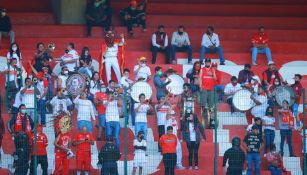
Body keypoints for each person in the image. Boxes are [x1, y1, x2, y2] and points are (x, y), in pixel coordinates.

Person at [199, 59, 216, 127]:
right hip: (204, 88)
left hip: (211, 88)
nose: (208, 63)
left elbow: (215, 78)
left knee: (211, 104)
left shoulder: (212, 70)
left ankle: (212, 120)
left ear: (210, 63)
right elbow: (200, 78)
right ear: (205, 63)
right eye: (206, 62)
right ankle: (203, 116)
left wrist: (213, 73)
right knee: (203, 103)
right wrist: (200, 86)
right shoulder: (202, 69)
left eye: (209, 62)